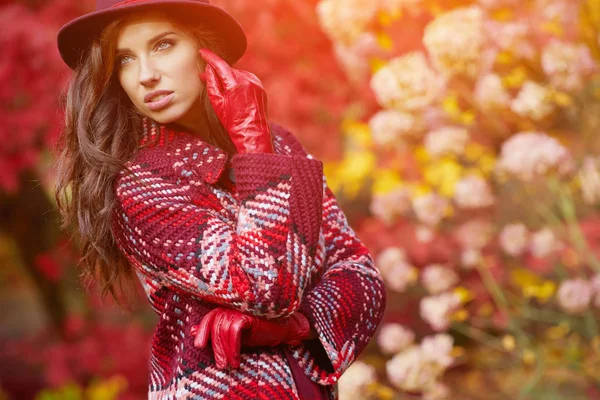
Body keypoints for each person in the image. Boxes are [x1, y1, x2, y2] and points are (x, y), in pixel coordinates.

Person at [53, 0, 387, 399]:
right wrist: (254, 147)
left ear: (204, 48)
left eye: (162, 45)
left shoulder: (278, 145)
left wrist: (296, 326)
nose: (145, 75)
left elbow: (362, 275)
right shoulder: (141, 184)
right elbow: (266, 288)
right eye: (124, 59)